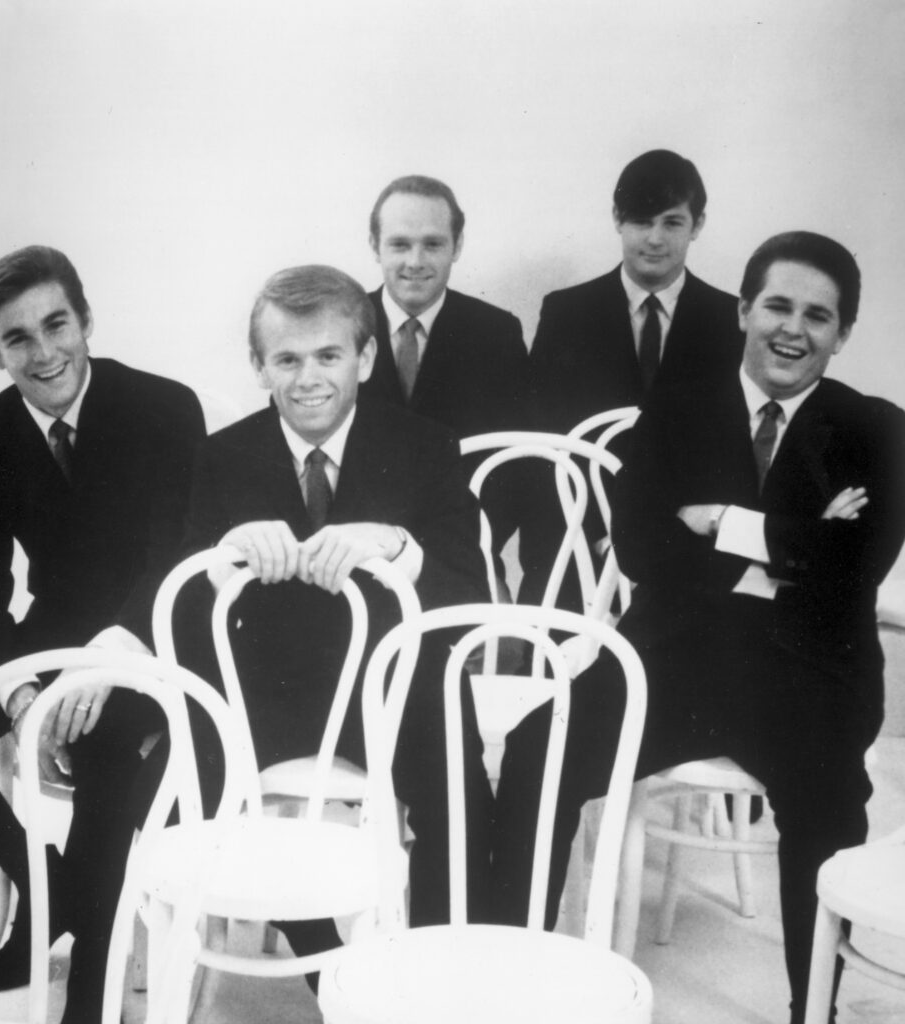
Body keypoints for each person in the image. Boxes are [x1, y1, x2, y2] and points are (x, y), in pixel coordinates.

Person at [491, 232, 905, 1024]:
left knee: (828, 812)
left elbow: (861, 564)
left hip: (809, 675)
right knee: (542, 750)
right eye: (778, 305)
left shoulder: (876, 430)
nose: (794, 329)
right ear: (744, 310)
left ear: (843, 333)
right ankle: (516, 976)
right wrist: (799, 540)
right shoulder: (678, 408)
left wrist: (722, 524)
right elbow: (645, 548)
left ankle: (809, 1007)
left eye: (819, 316)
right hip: (673, 657)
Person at [113, 263, 495, 975]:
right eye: (286, 359)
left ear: (367, 357)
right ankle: (334, 976)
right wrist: (225, 558)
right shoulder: (223, 456)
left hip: (392, 689)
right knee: (163, 794)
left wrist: (398, 547)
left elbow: (470, 600)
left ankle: (444, 977)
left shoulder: (426, 446)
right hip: (268, 689)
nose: (309, 378)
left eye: (329, 355)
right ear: (258, 366)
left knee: (461, 799)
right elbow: (183, 598)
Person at [0, 246, 206, 1021]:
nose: (45, 350)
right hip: (47, 632)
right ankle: (46, 882)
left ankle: (86, 1004)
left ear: (85, 320)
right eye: (17, 337)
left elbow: (176, 561)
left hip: (146, 633)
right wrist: (22, 692)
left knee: (101, 767)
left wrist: (105, 666)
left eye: (57, 323)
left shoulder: (164, 405)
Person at [519, 149, 744, 607]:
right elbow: (543, 450)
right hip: (573, 554)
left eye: (672, 222)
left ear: (697, 225)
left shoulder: (730, 321)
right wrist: (595, 542)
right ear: (617, 219)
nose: (655, 239)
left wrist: (656, 542)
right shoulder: (566, 314)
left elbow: (732, 459)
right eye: (641, 221)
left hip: (687, 563)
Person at [362, 175, 530, 577]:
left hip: (461, 558)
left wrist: (464, 546)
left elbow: (516, 467)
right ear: (374, 245)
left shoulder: (496, 334)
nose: (415, 262)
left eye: (433, 244)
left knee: (505, 642)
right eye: (400, 244)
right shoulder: (341, 328)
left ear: (457, 246)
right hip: (359, 558)